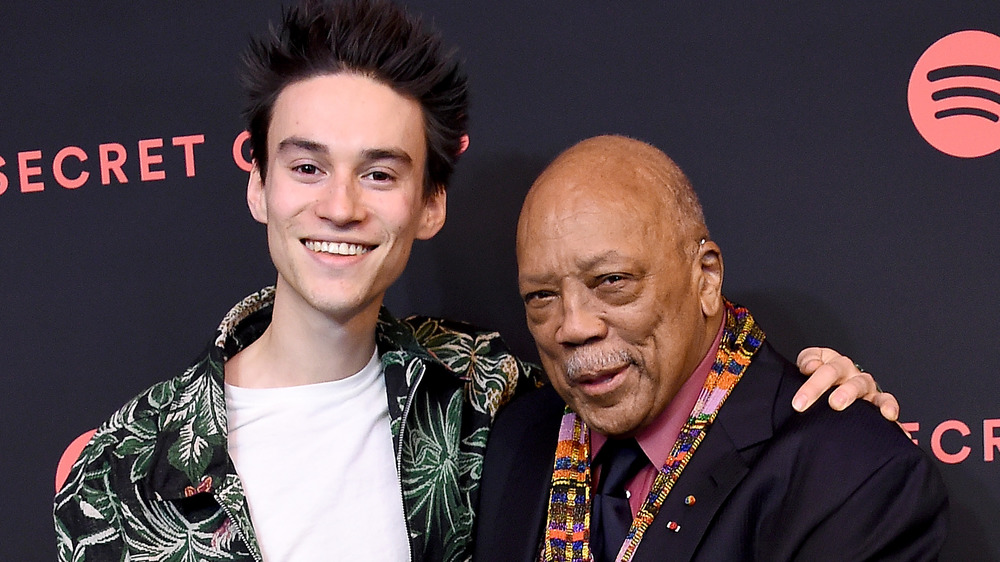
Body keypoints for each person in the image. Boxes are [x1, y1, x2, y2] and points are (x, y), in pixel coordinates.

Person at [53, 2, 895, 561]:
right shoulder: (121, 471)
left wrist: (816, 403)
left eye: (380, 174)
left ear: (429, 205)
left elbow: (681, 398)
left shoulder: (487, 397)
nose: (338, 206)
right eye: (306, 166)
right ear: (257, 184)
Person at [473, 135, 948, 562]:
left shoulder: (850, 476)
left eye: (613, 281)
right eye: (541, 297)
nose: (573, 327)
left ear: (706, 276)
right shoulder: (514, 440)